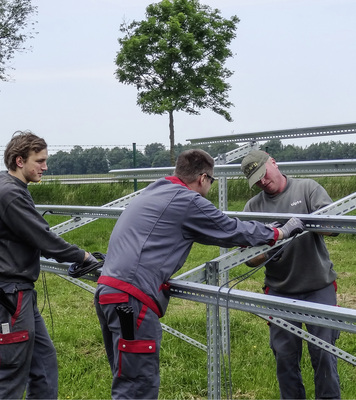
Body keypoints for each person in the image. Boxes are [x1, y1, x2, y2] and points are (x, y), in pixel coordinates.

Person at [94, 148, 304, 400]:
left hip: (108, 293)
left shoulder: (155, 190)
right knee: (137, 387)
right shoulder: (188, 200)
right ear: (203, 178)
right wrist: (278, 233)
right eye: (212, 181)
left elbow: (212, 232)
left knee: (126, 378)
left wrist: (253, 233)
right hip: (132, 300)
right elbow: (229, 228)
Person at [0, 131, 97, 399]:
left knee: (43, 364)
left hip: (20, 293)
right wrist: (84, 257)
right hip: (11, 296)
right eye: (39, 160)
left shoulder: (8, 185)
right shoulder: (10, 194)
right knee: (11, 372)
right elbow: (44, 239)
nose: (45, 166)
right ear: (20, 161)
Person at [241, 149, 340, 399]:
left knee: (325, 355)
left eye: (264, 174)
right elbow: (248, 259)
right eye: (257, 181)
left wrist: (306, 224)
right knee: (284, 358)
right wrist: (274, 240)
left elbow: (335, 227)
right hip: (280, 291)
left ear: (273, 162)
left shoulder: (307, 189)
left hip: (318, 287)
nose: (263, 182)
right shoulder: (253, 207)